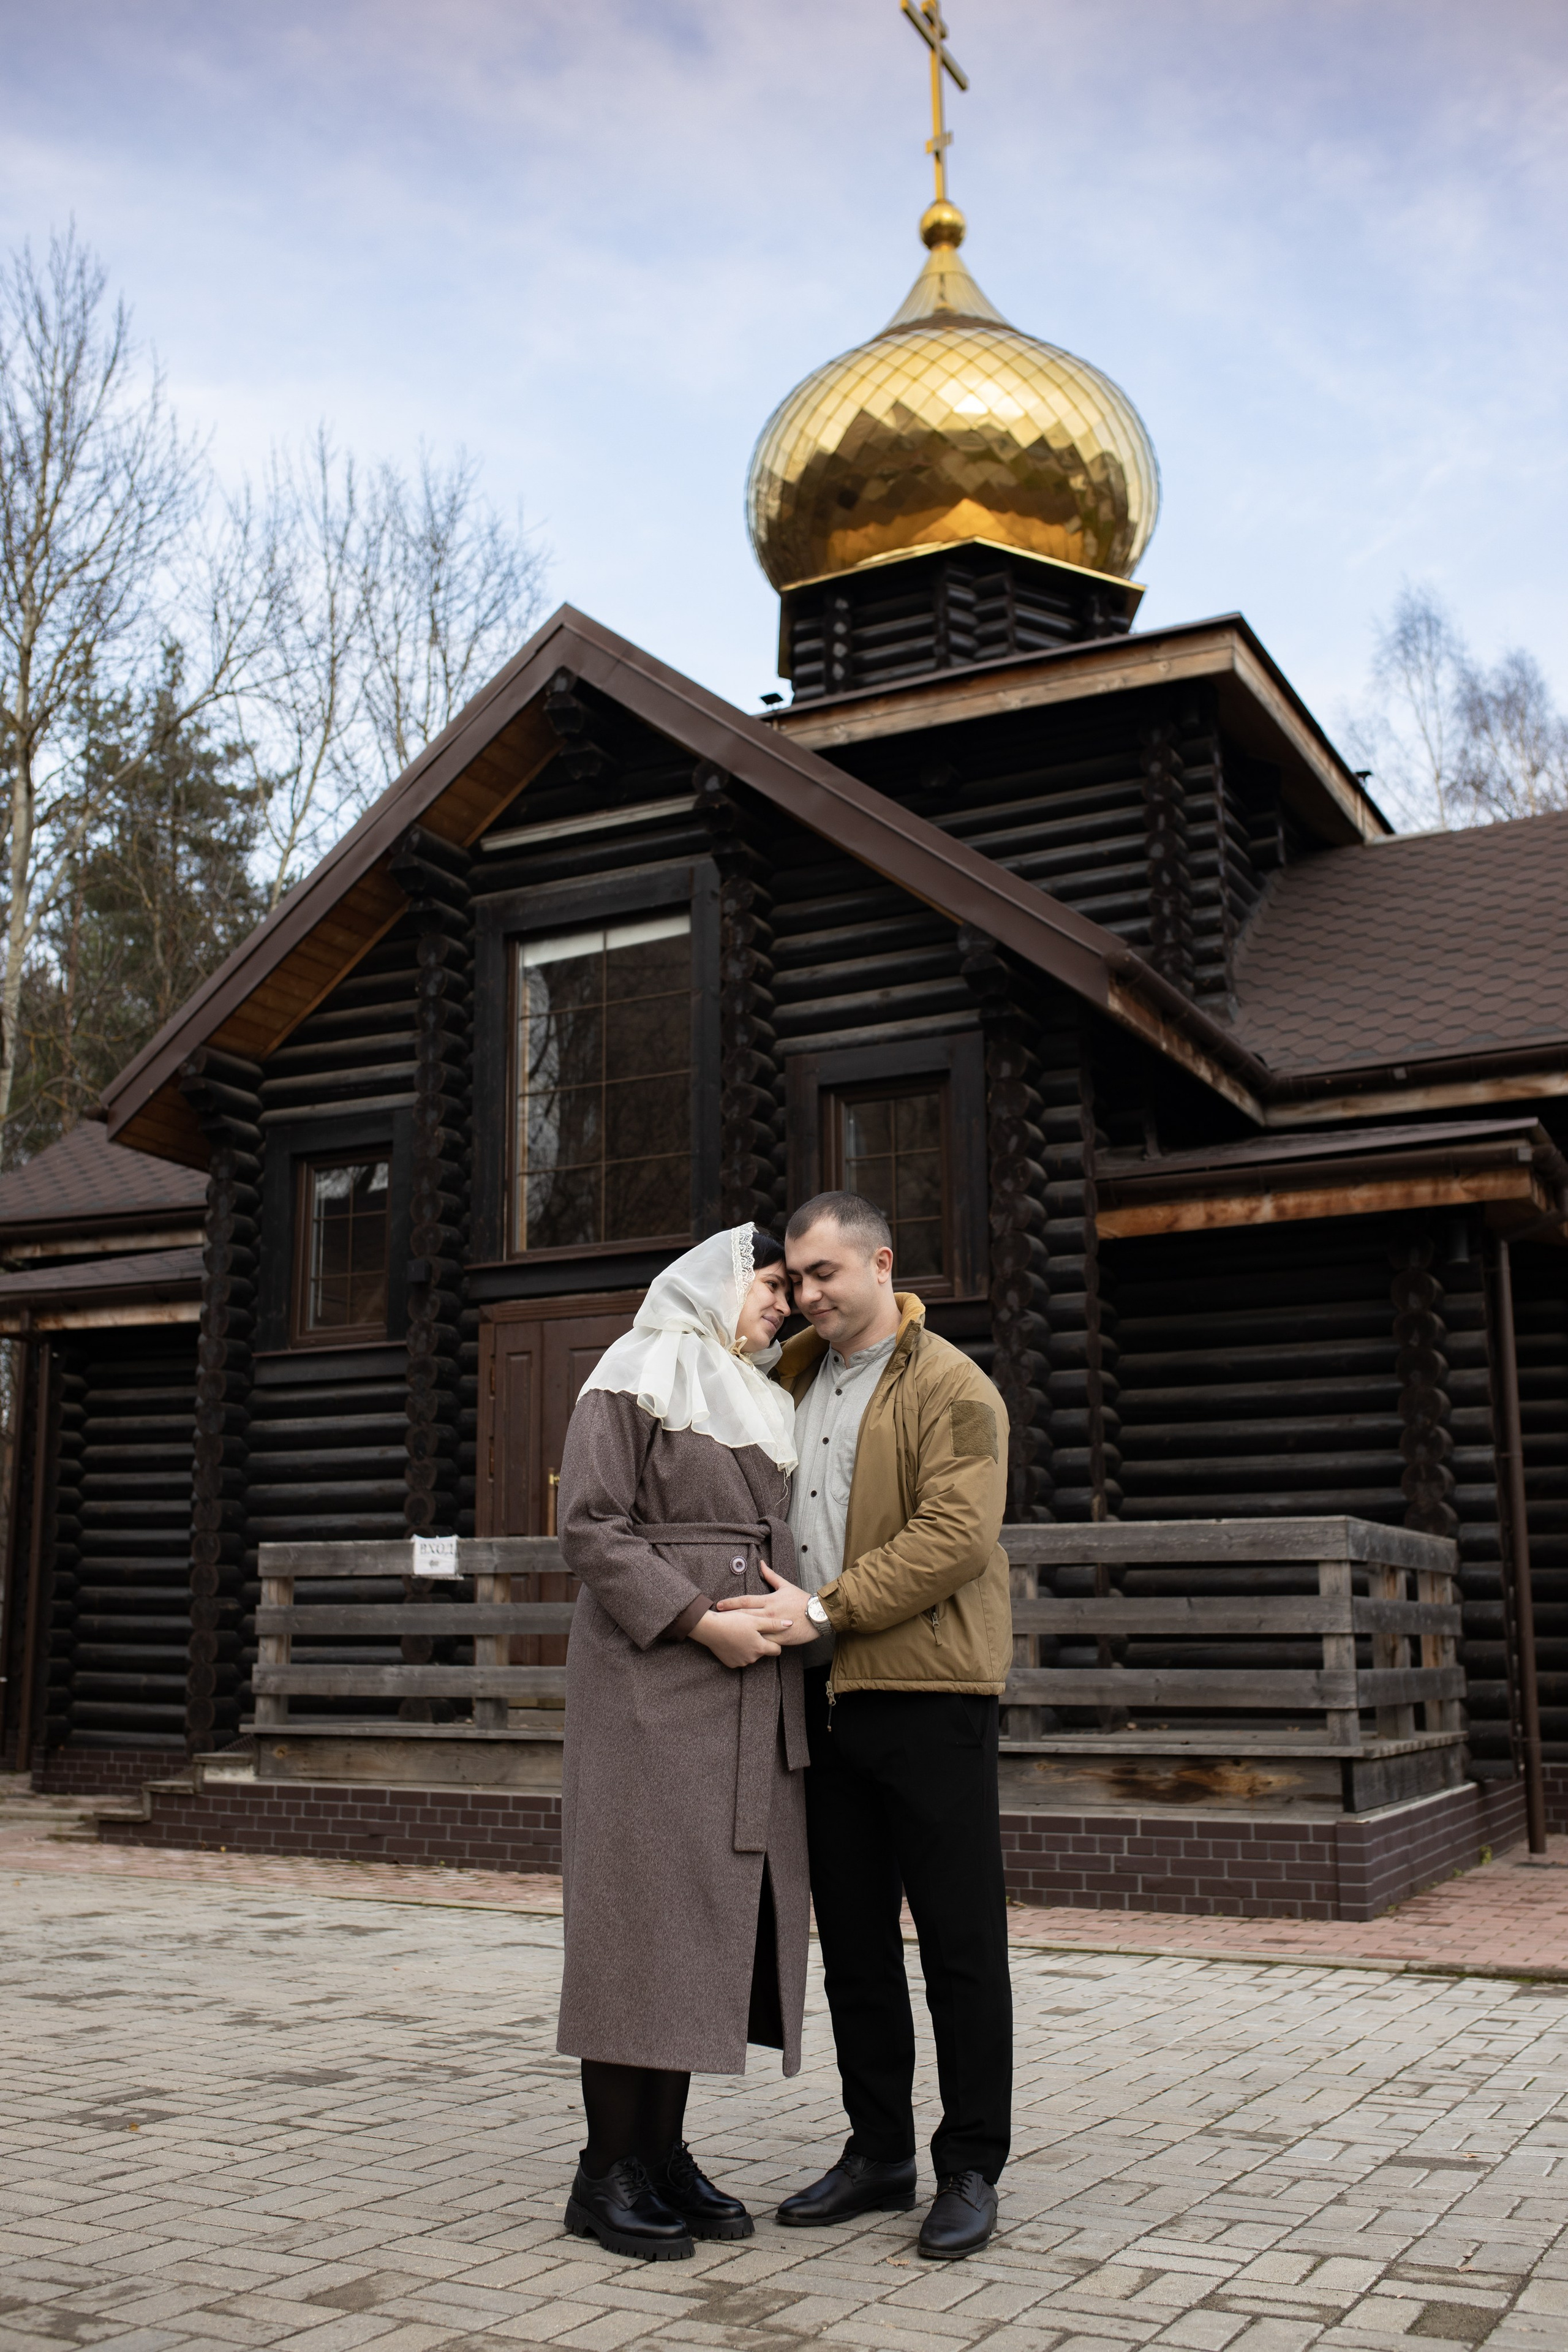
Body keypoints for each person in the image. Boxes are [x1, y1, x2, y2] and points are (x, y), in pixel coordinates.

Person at [717, 1191, 1012, 2260]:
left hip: (930, 1697)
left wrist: (825, 1608)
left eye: (824, 1274)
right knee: (852, 1947)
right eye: (795, 1279)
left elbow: (955, 1537)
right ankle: (879, 2151)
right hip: (819, 1704)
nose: (806, 1295)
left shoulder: (953, 1387)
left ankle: (972, 2165)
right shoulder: (782, 1378)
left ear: (881, 1264)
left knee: (962, 1944)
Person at [553, 1223, 818, 2262]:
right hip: (651, 1689)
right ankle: (602, 2172)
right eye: (768, 1286)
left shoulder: (753, 1391)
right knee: (639, 1922)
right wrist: (699, 1619)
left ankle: (660, 2154)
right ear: (715, 1281)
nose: (782, 1306)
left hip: (744, 1700)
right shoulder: (636, 1367)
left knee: (700, 1928)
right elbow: (591, 1526)